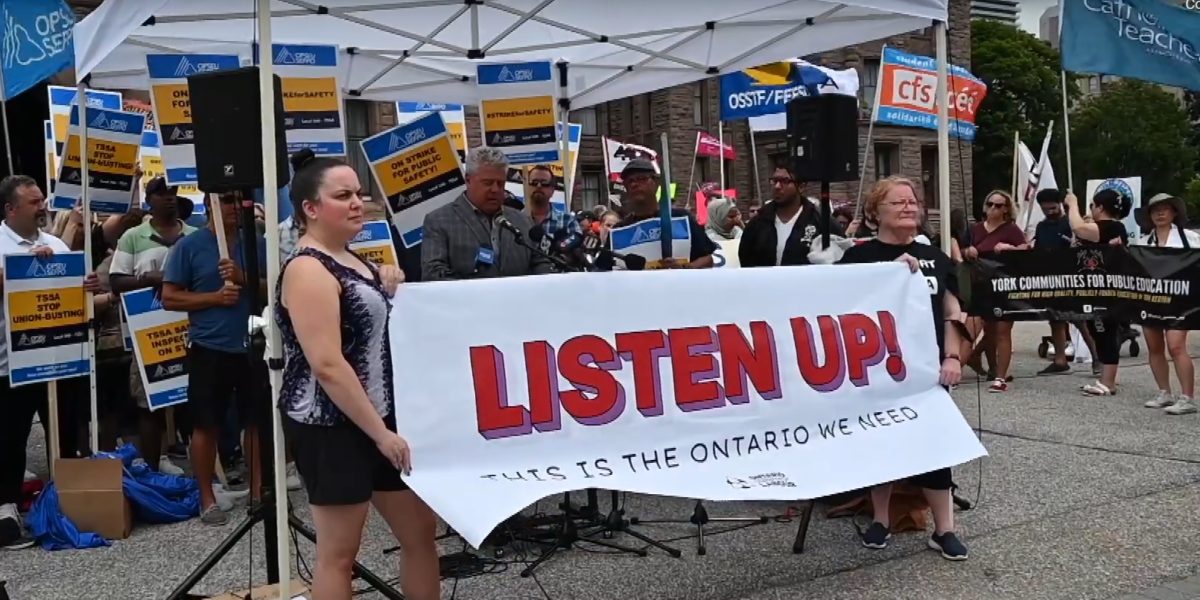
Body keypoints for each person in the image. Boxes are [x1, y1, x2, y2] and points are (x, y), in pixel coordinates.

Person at [277, 150, 439, 600]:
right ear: (311, 208)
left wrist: (388, 275)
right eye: (343, 195)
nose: (357, 203)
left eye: (359, 194)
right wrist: (381, 434)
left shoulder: (356, 260)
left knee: (420, 531)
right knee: (340, 553)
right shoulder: (307, 270)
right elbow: (326, 364)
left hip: (379, 416)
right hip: (329, 424)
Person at [838, 176, 969, 561]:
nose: (909, 207)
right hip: (879, 371)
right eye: (898, 203)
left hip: (927, 371)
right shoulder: (858, 259)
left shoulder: (937, 258)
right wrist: (887, 277)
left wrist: (953, 357)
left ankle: (944, 529)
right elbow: (841, 311)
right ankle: (880, 519)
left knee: (934, 447)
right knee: (881, 445)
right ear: (874, 213)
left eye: (913, 201)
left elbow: (951, 312)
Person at [0, 175, 102, 549]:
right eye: (33, 203)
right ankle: (6, 509)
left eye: (42, 200)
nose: (43, 207)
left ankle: (64, 501)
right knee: (11, 437)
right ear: (11, 209)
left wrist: (86, 284)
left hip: (57, 359)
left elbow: (73, 292)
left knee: (63, 429)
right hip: (11, 363)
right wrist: (25, 269)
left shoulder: (55, 243)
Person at [162, 191, 266, 525]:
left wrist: (242, 278)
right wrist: (214, 297)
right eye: (225, 201)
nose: (234, 207)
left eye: (238, 200)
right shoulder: (188, 247)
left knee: (255, 421)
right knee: (206, 424)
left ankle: (257, 490)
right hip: (210, 348)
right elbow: (170, 297)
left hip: (253, 344)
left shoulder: (256, 243)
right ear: (210, 205)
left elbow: (273, 287)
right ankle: (206, 496)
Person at [110, 177, 196, 472]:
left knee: (191, 404)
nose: (169, 197)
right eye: (161, 193)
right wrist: (149, 279)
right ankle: (153, 470)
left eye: (172, 192)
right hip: (149, 335)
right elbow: (116, 281)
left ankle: (204, 474)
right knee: (149, 405)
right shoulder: (133, 237)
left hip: (188, 332)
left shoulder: (194, 236)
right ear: (149, 200)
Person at [421, 148, 554, 280]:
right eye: (488, 183)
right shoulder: (439, 221)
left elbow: (540, 264)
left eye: (500, 183)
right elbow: (433, 275)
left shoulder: (522, 221)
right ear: (468, 180)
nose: (495, 189)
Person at [1138, 193, 1200, 414]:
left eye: (1165, 209)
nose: (1160, 213)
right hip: (1151, 301)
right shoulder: (1143, 242)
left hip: (1180, 302)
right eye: (1155, 210)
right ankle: (1164, 392)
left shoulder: (1191, 239)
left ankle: (1187, 397)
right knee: (1155, 347)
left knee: (1176, 346)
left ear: (1174, 212)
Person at [1066, 188, 1131, 397]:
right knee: (1096, 330)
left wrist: (1073, 203)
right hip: (1093, 288)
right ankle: (1104, 377)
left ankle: (1109, 381)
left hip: (1106, 290)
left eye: (1093, 205)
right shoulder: (1105, 228)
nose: (1091, 210)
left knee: (1105, 332)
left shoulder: (1112, 227)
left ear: (1101, 207)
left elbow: (1078, 228)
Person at [963, 190, 1027, 393]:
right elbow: (960, 248)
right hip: (979, 284)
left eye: (999, 205)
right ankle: (964, 364)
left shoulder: (1011, 229)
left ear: (1006, 209)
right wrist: (967, 251)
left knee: (1002, 330)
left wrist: (1010, 248)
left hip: (1004, 285)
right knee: (974, 329)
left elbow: (1027, 249)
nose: (993, 208)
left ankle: (1000, 376)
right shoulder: (974, 229)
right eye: (990, 204)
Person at [607, 159, 716, 269]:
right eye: (630, 181)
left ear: (656, 182)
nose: (634, 184)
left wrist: (684, 268)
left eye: (641, 179)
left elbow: (708, 259)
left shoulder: (682, 219)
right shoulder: (619, 230)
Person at [739, 165, 843, 268]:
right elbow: (745, 259)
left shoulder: (820, 220)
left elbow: (842, 255)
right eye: (774, 181)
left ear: (801, 186)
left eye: (785, 181)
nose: (777, 186)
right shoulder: (759, 222)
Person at [1030, 189, 1075, 376]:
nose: (1049, 212)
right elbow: (1038, 250)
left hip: (1070, 277)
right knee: (1055, 319)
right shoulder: (1041, 227)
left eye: (1053, 208)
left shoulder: (1070, 224)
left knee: (1078, 320)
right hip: (1049, 277)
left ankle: (1097, 359)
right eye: (1045, 208)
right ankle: (1060, 360)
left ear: (1060, 205)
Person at [522, 164, 581, 253]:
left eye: (544, 183)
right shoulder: (515, 220)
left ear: (552, 190)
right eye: (534, 182)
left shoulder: (568, 221)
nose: (538, 186)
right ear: (527, 187)